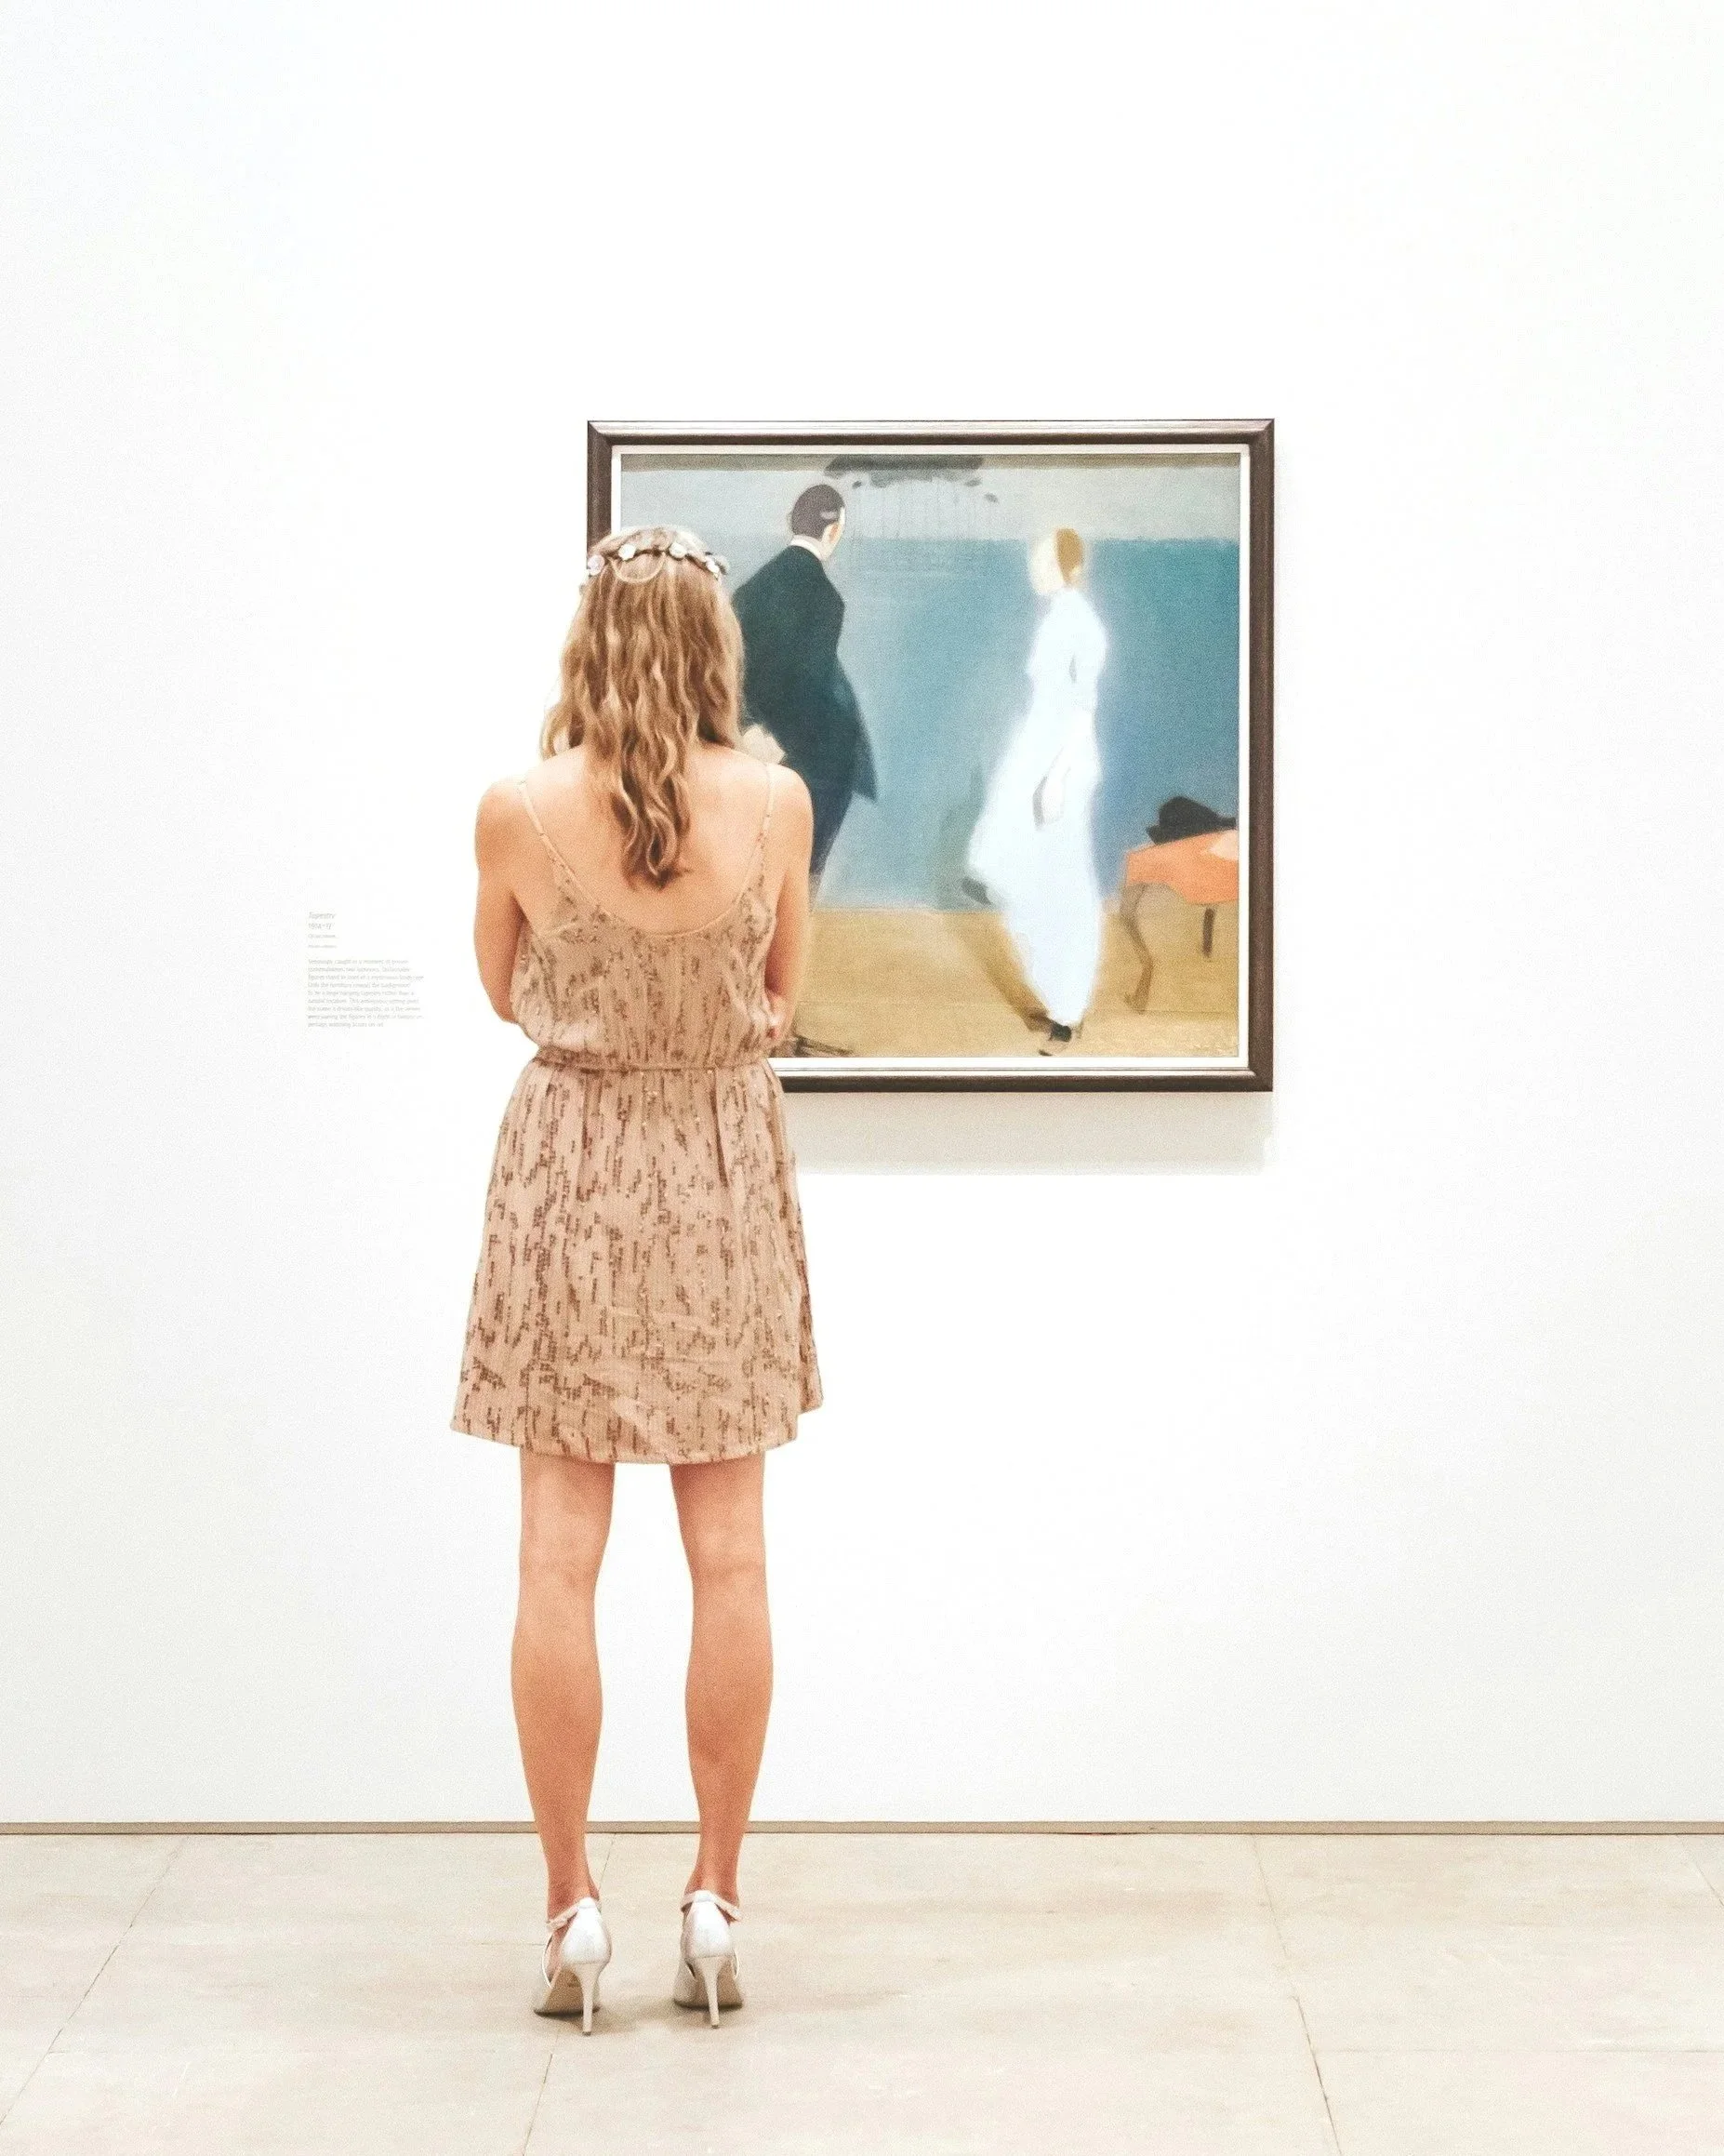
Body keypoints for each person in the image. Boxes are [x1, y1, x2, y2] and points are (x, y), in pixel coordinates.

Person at [451, 525, 822, 2033]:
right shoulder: (780, 803)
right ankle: (715, 1897)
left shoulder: (517, 809)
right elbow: (785, 995)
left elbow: (500, 988)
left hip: (569, 1174)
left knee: (557, 1561)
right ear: (714, 646)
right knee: (726, 1559)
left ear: (588, 640)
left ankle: (569, 1905)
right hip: (722, 1169)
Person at [965, 528, 1109, 1048]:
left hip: (1062, 762)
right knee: (1018, 872)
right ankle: (1055, 996)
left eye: (1042, 558)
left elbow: (1082, 713)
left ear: (1065, 566)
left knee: (1063, 879)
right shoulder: (1054, 620)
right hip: (1036, 754)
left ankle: (1067, 1008)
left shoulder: (1082, 627)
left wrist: (1058, 775)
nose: (1034, 565)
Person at [730, 483, 878, 888]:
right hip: (804, 762)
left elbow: (732, 671)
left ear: (791, 523)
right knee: (802, 871)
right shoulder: (826, 599)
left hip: (748, 748)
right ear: (833, 532)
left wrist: (748, 732)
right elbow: (807, 692)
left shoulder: (747, 591)